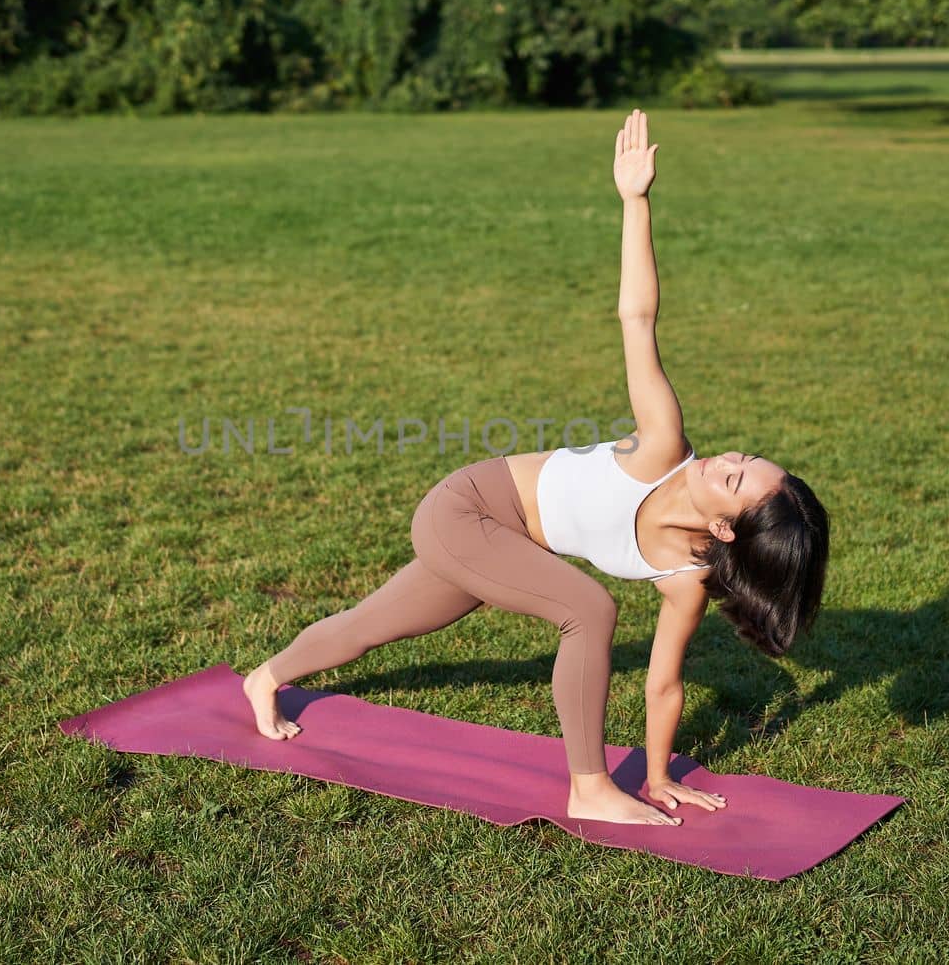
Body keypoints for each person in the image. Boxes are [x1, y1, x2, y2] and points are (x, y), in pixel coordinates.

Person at [241, 109, 830, 826]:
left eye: (736, 478)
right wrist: (635, 202)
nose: (728, 458)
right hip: (467, 508)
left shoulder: (688, 578)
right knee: (589, 608)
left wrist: (656, 776)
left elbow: (664, 685)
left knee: (371, 625)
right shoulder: (664, 444)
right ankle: (587, 786)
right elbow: (638, 318)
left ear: (723, 529)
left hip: (504, 546)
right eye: (743, 458)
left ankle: (265, 676)